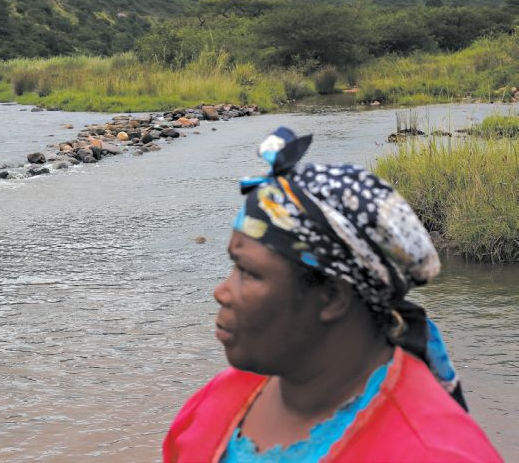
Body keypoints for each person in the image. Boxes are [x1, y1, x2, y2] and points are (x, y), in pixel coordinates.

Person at [163, 127, 501, 462]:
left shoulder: (434, 452)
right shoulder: (216, 405)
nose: (221, 292)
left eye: (249, 272)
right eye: (233, 266)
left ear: (333, 297)